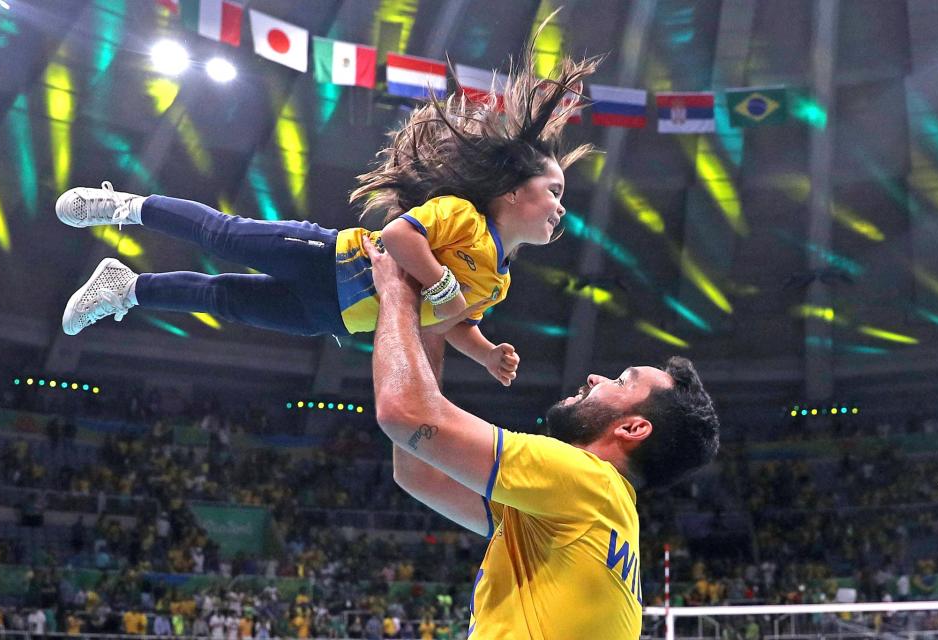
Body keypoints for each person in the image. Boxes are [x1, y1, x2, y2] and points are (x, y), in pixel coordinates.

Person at [53, 40, 597, 387]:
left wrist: (483, 355)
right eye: (554, 191)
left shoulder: (498, 281)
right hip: (327, 260)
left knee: (225, 299)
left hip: (330, 318)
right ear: (513, 194)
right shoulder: (462, 216)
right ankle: (123, 206)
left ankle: (126, 288)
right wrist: (437, 283)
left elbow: (453, 322)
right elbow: (399, 236)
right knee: (224, 235)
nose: (560, 209)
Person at [361, 234, 720, 638]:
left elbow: (403, 414)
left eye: (620, 381)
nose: (594, 377)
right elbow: (423, 475)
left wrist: (397, 292)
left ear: (633, 428)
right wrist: (432, 329)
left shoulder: (587, 481)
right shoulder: (583, 513)